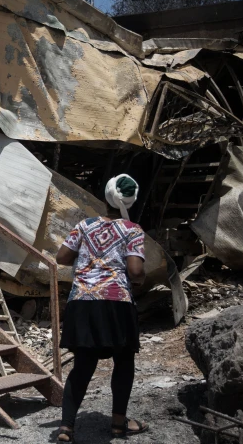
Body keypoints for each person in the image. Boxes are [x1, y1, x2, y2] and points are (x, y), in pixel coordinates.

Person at [55, 174, 148, 441]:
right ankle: (119, 424)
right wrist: (140, 279)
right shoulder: (132, 229)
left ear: (106, 197)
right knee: (123, 362)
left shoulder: (84, 226)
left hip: (82, 302)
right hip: (116, 303)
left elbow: (62, 257)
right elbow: (135, 269)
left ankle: (66, 427)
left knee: (82, 365)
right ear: (131, 199)